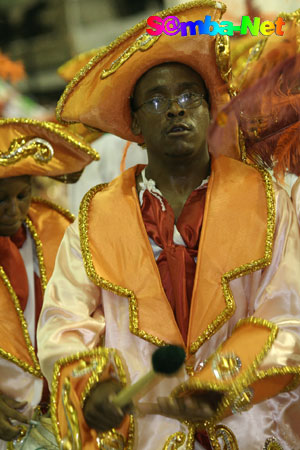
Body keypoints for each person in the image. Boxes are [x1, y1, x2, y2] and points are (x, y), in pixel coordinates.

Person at [37, 1, 300, 449]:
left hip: (252, 428)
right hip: (146, 434)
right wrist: (95, 389)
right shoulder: (96, 213)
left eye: (188, 97)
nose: (176, 110)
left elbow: (288, 312)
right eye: (157, 100)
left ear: (208, 108)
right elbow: (64, 322)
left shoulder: (267, 199)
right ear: (135, 121)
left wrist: (218, 381)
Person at [0, 118, 98, 449]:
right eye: (0, 200)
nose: (13, 210)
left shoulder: (54, 229)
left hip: (58, 420)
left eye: (22, 195)